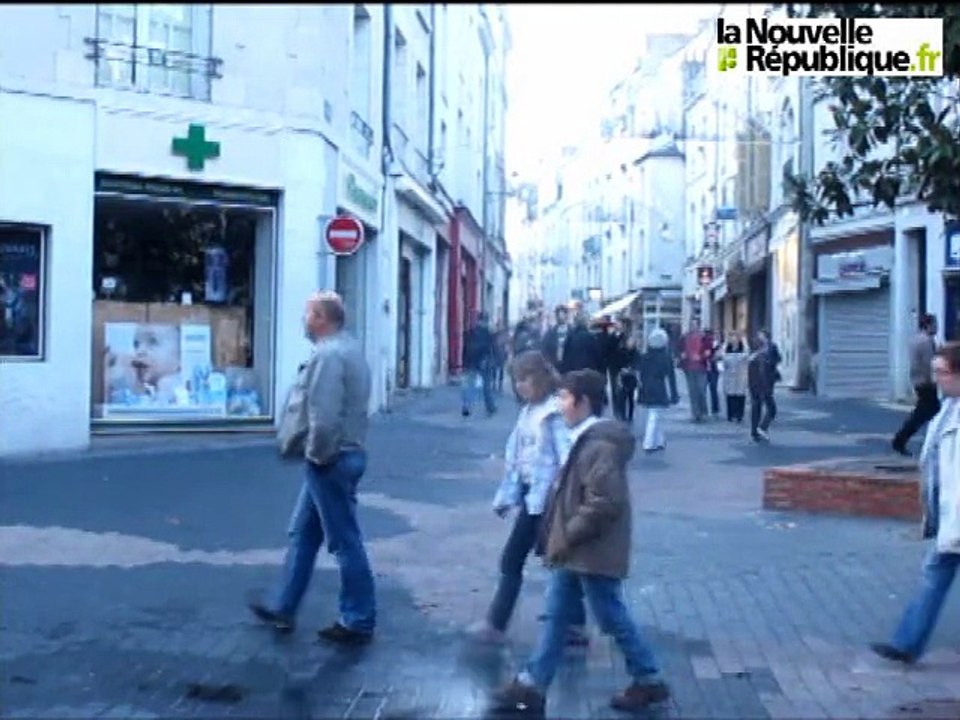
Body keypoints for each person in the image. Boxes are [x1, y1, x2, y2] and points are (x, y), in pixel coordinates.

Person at [491, 369, 670, 715]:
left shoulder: (598, 445)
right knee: (557, 615)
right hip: (575, 551)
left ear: (584, 403)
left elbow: (605, 502)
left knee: (611, 615)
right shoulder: (584, 440)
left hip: (591, 550)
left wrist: (568, 533)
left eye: (566, 399)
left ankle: (649, 678)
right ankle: (532, 684)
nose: (560, 406)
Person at [251, 291, 376, 645]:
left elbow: (324, 415)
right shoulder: (350, 349)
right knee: (303, 533)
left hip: (331, 458)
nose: (304, 320)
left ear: (322, 318)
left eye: (308, 314)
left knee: (344, 541)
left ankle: (359, 619)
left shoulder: (329, 356)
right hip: (345, 454)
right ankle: (284, 607)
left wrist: (318, 457)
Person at [468, 351, 588, 646]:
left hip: (546, 500)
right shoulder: (529, 411)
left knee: (533, 560)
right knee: (546, 560)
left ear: (540, 377)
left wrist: (559, 496)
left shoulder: (553, 414)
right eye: (516, 380)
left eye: (525, 378)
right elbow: (517, 458)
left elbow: (567, 457)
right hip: (531, 497)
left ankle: (498, 623)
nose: (520, 386)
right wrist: (507, 496)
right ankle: (572, 623)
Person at [871, 342, 960, 665]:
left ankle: (908, 643)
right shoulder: (947, 408)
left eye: (942, 373)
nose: (936, 379)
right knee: (934, 576)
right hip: (951, 519)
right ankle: (907, 643)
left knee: (935, 574)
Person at [892, 313, 941, 456]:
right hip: (925, 382)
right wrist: (933, 380)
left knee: (926, 411)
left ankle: (902, 439)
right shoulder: (926, 341)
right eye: (935, 324)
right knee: (929, 411)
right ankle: (901, 440)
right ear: (928, 325)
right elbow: (928, 364)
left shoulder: (915, 339)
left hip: (917, 380)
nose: (937, 327)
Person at [638, 327, 679, 453]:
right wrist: (674, 394)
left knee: (656, 414)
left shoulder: (645, 356)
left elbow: (640, 373)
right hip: (659, 387)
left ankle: (659, 440)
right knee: (654, 415)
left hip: (646, 387)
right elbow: (671, 377)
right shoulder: (666, 357)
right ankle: (648, 442)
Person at [462, 313, 497, 417]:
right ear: (486, 322)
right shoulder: (489, 334)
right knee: (486, 386)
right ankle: (490, 407)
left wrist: (464, 363)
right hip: (484, 362)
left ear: (478, 321)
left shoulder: (470, 332)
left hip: (471, 362)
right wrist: (493, 361)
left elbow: (465, 349)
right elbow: (493, 349)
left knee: (469, 385)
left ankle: (467, 407)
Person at [679, 319, 710, 422]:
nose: (693, 327)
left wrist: (701, 357)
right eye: (691, 324)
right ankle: (695, 413)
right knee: (692, 391)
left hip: (701, 367)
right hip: (689, 367)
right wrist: (682, 355)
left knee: (701, 390)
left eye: (695, 325)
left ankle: (703, 411)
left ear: (698, 326)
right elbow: (679, 349)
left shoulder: (704, 337)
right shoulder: (685, 337)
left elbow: (708, 351)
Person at [748, 332, 777, 443]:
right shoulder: (759, 356)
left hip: (758, 386)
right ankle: (759, 429)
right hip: (761, 386)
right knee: (769, 408)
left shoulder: (756, 356)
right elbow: (760, 374)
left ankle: (757, 430)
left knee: (759, 408)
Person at [721, 331, 749, 424]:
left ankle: (739, 415)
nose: (734, 340)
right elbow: (722, 355)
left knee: (740, 396)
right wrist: (725, 342)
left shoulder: (743, 350)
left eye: (735, 338)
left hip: (740, 377)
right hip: (730, 377)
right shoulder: (727, 350)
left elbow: (747, 353)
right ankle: (731, 415)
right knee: (730, 396)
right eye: (731, 338)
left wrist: (744, 341)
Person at [617, 335, 641, 424]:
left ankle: (630, 415)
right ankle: (623, 415)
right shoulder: (622, 351)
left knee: (630, 397)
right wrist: (622, 369)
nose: (630, 344)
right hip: (623, 376)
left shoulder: (636, 353)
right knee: (623, 397)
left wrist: (631, 369)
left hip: (631, 377)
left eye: (632, 342)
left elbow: (638, 364)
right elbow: (618, 362)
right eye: (629, 342)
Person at [541, 305, 572, 373]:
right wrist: (549, 365)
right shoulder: (550, 332)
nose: (561, 317)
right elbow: (544, 349)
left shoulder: (572, 331)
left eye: (563, 314)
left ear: (567, 315)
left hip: (569, 366)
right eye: (559, 314)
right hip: (554, 367)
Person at [705, 328, 722, 418]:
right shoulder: (707, 344)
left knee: (713, 389)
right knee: (710, 389)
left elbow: (718, 356)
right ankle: (711, 409)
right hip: (708, 368)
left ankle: (714, 409)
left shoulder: (717, 345)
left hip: (713, 369)